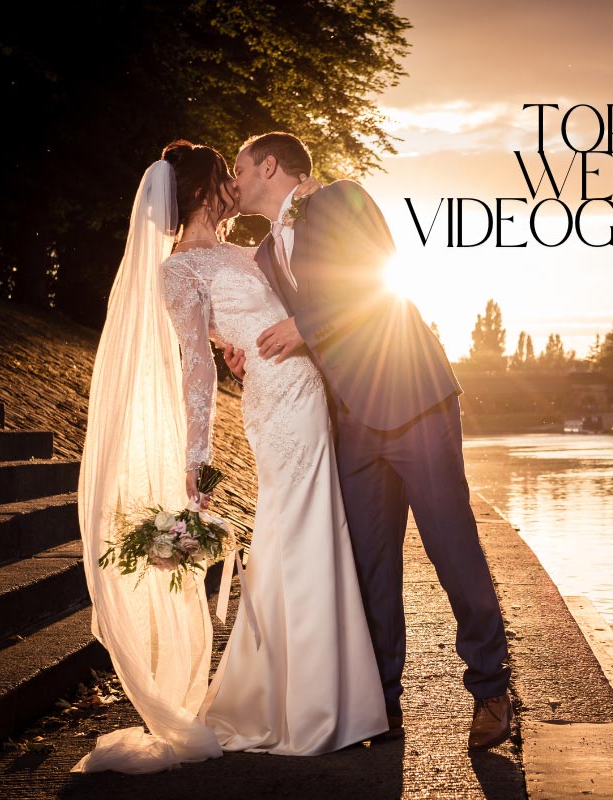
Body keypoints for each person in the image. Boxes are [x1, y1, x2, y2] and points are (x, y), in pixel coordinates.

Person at [73, 141, 386, 774]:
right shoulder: (178, 271)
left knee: (301, 533)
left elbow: (294, 313)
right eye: (226, 177)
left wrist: (253, 344)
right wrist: (198, 454)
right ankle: (310, 707)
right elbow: (198, 364)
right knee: (293, 533)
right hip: (277, 408)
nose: (235, 186)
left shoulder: (251, 251)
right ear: (203, 192)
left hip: (309, 392)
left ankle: (311, 695)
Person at [223, 132, 512, 750]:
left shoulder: (343, 198)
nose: (235, 178)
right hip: (349, 416)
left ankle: (491, 689)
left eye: (242, 167)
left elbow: (376, 281)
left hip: (413, 396)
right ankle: (381, 703)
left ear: (270, 165)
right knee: (370, 566)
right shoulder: (268, 253)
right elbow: (275, 330)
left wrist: (303, 325)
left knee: (450, 545)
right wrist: (250, 352)